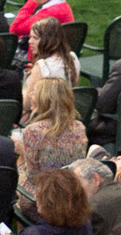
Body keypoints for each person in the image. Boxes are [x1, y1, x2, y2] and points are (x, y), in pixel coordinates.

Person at [15, 76, 89, 210]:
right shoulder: (79, 127)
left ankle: (20, 225)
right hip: (70, 198)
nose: (30, 94)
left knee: (17, 165)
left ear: (45, 99)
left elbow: (33, 177)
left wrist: (21, 151)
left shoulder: (33, 131)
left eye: (35, 92)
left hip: (43, 201)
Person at [25, 17, 77, 83]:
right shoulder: (73, 58)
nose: (30, 41)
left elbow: (28, 93)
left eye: (35, 38)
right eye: (30, 37)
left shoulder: (41, 67)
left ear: (48, 40)